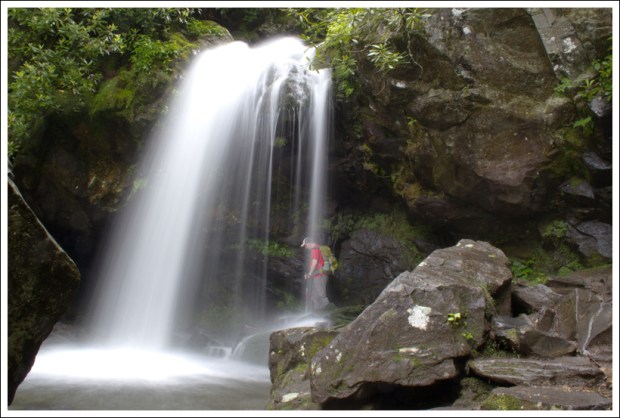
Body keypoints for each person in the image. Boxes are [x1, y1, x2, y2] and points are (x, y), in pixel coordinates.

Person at [300, 236, 330, 312]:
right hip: (317, 276)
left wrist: (309, 274)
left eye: (305, 245)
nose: (305, 247)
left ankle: (329, 313)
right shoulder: (318, 249)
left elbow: (315, 262)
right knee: (314, 296)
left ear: (309, 243)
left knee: (321, 296)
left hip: (320, 276)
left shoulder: (315, 249)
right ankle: (317, 314)